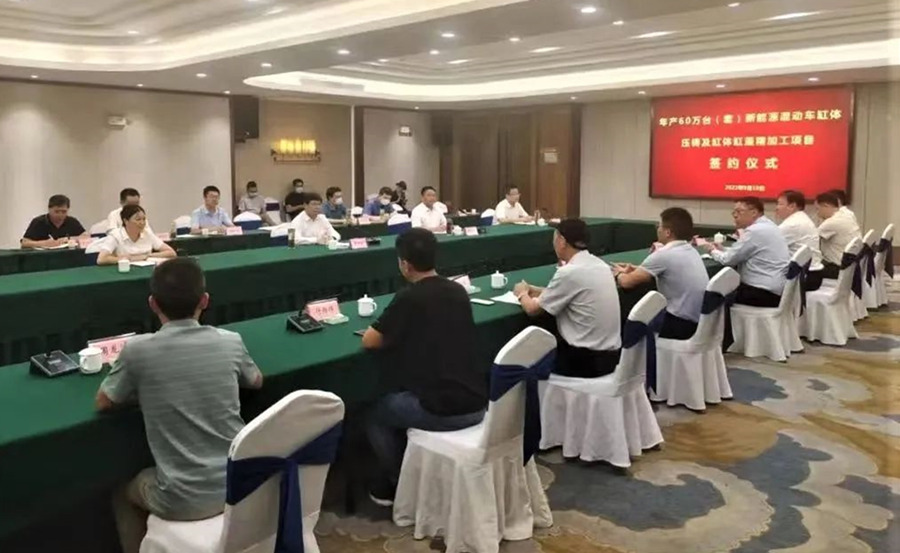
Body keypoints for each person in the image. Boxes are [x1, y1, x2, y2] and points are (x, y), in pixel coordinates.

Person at [95, 258, 263, 553]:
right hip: (239, 484)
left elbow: (104, 402)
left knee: (121, 492)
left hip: (179, 499)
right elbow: (256, 381)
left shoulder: (137, 350)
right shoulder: (231, 341)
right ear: (205, 300)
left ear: (153, 304)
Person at [361, 229, 487, 505]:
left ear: (405, 264)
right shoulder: (457, 290)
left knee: (375, 411)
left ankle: (397, 484)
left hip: (445, 410)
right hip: (478, 402)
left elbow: (370, 340)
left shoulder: (410, 297)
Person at [514, 218, 622, 377]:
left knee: (525, 362)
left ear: (562, 241)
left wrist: (522, 293)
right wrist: (535, 290)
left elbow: (532, 310)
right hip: (611, 357)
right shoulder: (600, 265)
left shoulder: (569, 272)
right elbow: (570, 293)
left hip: (584, 361)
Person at [613, 208, 709, 340]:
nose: (657, 229)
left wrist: (618, 274)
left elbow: (627, 283)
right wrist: (637, 269)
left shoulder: (663, 254)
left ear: (667, 232)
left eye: (659, 226)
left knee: (630, 321)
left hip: (680, 324)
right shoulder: (691, 250)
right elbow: (667, 270)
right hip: (699, 322)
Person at [701, 196, 790, 307]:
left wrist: (712, 250)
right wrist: (723, 249)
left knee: (713, 295)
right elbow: (745, 252)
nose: (735, 215)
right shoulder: (768, 225)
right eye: (734, 212)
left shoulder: (755, 231)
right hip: (775, 287)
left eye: (739, 211)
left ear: (754, 213)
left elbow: (728, 260)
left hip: (763, 292)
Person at [775, 190, 825, 291]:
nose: (776, 208)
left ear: (792, 206)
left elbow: (768, 245)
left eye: (780, 204)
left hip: (804, 276)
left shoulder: (792, 224)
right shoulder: (800, 218)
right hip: (811, 274)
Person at [97, 205, 176, 265]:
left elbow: (171, 252)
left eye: (144, 219)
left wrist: (149, 255)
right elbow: (101, 259)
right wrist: (122, 259)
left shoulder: (147, 233)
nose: (142, 223)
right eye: (138, 219)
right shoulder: (116, 235)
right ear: (126, 221)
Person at [816, 192, 861, 279]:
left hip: (837, 267)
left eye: (818, 209)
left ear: (825, 206)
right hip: (852, 265)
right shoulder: (847, 214)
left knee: (806, 272)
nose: (817, 214)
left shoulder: (832, 222)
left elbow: (812, 239)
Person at [21, 194, 88, 249]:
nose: (60, 215)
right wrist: (44, 243)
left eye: (64, 212)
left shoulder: (72, 221)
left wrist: (66, 239)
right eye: (56, 211)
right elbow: (24, 243)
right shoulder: (38, 222)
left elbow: (86, 236)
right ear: (49, 209)